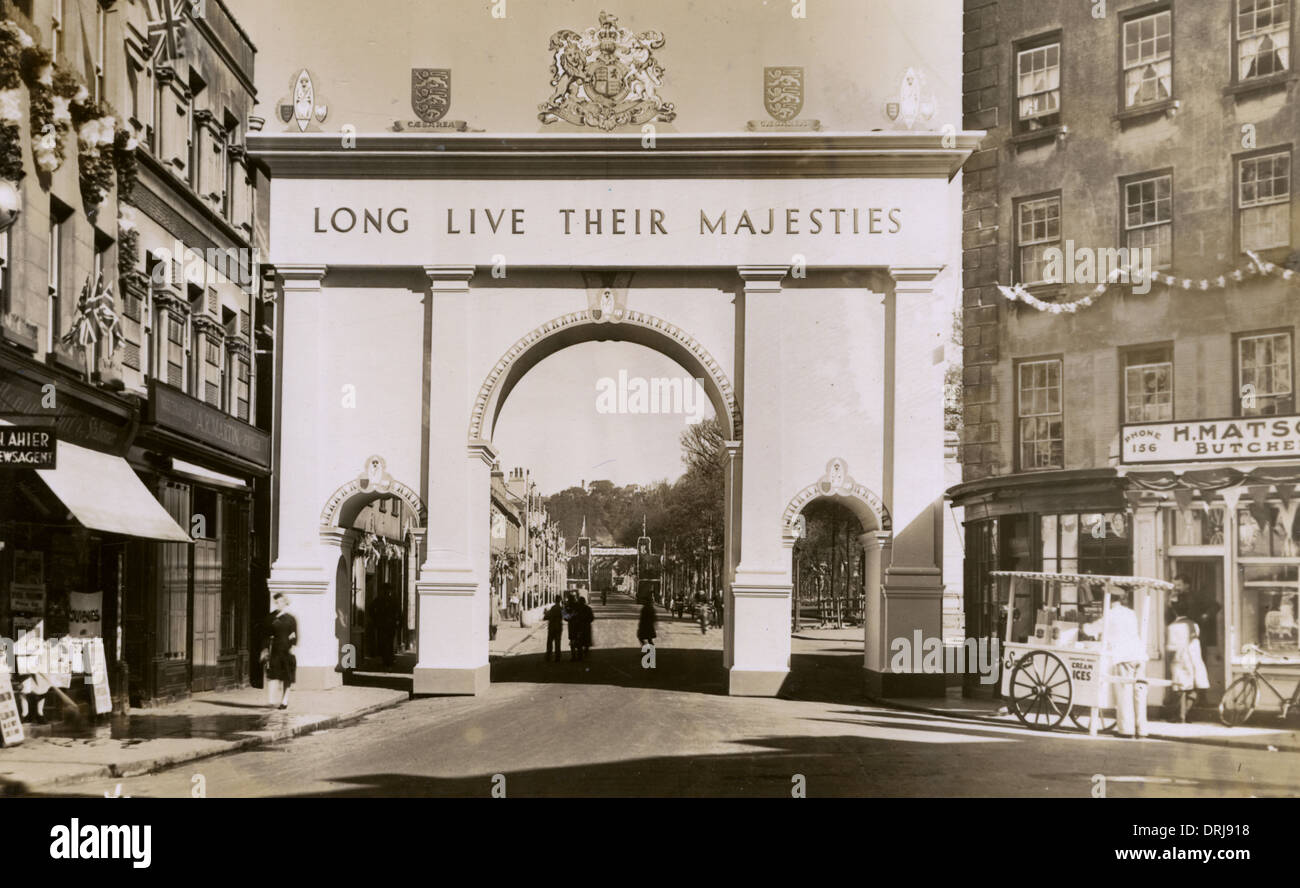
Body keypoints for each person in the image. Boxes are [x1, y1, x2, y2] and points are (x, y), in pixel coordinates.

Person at [1084, 585, 1148, 738]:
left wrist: (1084, 625)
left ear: (1108, 599)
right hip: (1139, 656)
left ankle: (1126, 730)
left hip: (1123, 657)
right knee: (1139, 694)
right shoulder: (1131, 613)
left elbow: (1091, 630)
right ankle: (1142, 730)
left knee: (1124, 694)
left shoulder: (1110, 615)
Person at [1166, 600, 1210, 723]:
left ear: (1174, 611)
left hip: (1181, 659)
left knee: (1180, 688)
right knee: (1194, 687)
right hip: (1195, 657)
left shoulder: (1172, 627)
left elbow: (1171, 647)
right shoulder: (1194, 625)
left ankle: (1180, 715)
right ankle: (1186, 712)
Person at [261, 592, 298, 710]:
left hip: (287, 651)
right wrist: (265, 649)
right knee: (273, 675)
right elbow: (266, 635)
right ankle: (271, 700)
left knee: (287, 677)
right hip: (275, 651)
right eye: (276, 602)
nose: (279, 604)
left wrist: (292, 647)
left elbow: (294, 635)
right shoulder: (271, 618)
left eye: (281, 602)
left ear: (285, 603)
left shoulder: (291, 619)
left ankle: (284, 701)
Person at [373, 588, 397, 669]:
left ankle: (387, 660)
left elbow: (371, 609)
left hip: (385, 625)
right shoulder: (391, 600)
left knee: (386, 643)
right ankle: (388, 660)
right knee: (387, 643)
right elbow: (371, 609)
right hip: (387, 625)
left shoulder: (380, 600)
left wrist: (375, 618)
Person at [544, 595, 566, 663]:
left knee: (550, 642)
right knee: (557, 642)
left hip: (551, 627)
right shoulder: (561, 608)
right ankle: (557, 657)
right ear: (560, 601)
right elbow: (566, 617)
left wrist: (545, 613)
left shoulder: (552, 608)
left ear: (555, 600)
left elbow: (546, 617)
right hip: (558, 627)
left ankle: (548, 656)